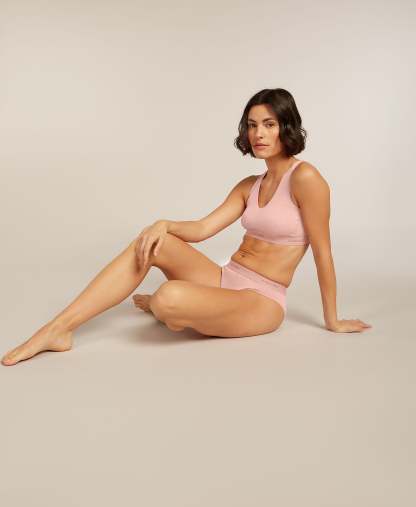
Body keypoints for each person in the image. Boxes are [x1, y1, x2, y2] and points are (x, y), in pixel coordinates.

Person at [1, 88, 372, 366]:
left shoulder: (306, 179)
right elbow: (202, 228)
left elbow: (323, 252)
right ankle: (59, 328)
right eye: (252, 125)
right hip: (225, 278)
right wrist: (163, 224)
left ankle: (170, 309)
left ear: (286, 128)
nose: (258, 134)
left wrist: (333, 320)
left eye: (269, 125)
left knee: (167, 298)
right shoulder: (249, 185)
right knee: (153, 241)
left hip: (261, 301)